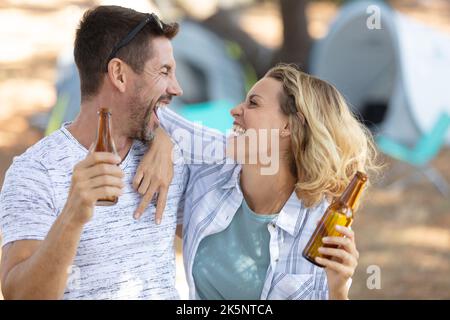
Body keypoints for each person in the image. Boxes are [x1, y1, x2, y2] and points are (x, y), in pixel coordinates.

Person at [134, 64, 379, 299]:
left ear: (289, 126)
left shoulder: (318, 224)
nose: (235, 110)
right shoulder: (211, 171)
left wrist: (338, 292)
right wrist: (161, 138)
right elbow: (147, 113)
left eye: (253, 103)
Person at [0, 5, 185, 299]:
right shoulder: (35, 172)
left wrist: (167, 141)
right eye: (164, 71)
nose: (177, 89)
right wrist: (73, 214)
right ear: (119, 75)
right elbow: (19, 295)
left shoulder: (167, 154)